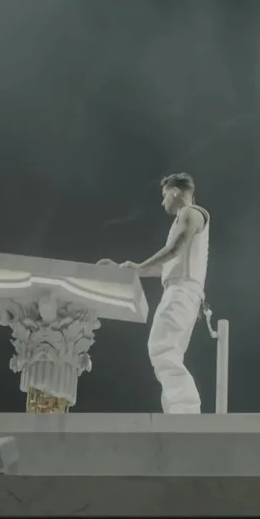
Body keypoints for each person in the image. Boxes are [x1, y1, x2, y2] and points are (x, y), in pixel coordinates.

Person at [99, 173, 210, 413]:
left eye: (164, 196)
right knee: (170, 351)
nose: (162, 202)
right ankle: (177, 410)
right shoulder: (185, 218)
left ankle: (185, 410)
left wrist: (138, 267)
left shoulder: (190, 214)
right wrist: (130, 270)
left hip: (181, 291)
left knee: (161, 347)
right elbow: (165, 266)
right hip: (183, 291)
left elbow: (174, 248)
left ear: (175, 192)